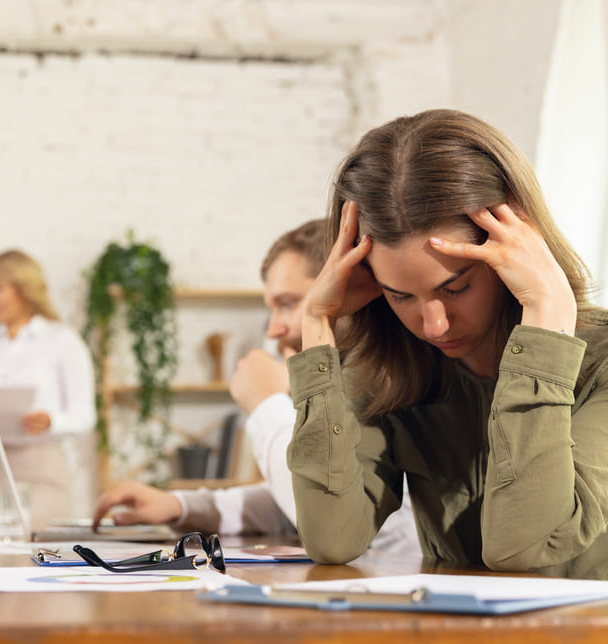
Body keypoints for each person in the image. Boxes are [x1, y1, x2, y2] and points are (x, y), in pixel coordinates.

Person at [289, 108, 608, 595]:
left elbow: (523, 546)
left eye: (457, 287)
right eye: (400, 296)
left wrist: (546, 317)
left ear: (515, 243)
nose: (434, 325)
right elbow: (331, 538)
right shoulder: (387, 375)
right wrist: (315, 324)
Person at [93, 221, 420, 555]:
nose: (275, 329)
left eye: (288, 304)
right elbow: (305, 492)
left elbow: (334, 519)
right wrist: (180, 506)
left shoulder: (390, 383)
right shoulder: (345, 375)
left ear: (348, 288)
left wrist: (267, 404)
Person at [0, 249, 97, 527]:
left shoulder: (63, 341)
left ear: (24, 288)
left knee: (36, 552)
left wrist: (50, 421)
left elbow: (85, 415)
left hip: (41, 468)